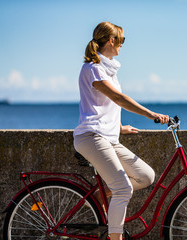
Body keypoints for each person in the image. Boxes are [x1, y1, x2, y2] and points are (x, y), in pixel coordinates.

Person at [73, 21, 169, 240]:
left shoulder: (107, 70)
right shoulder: (93, 68)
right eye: (122, 40)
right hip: (91, 137)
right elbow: (118, 98)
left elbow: (101, 106)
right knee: (124, 189)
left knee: (145, 176)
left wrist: (118, 127)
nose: (123, 45)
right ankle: (114, 237)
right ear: (111, 41)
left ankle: (100, 195)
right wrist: (150, 114)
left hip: (107, 137)